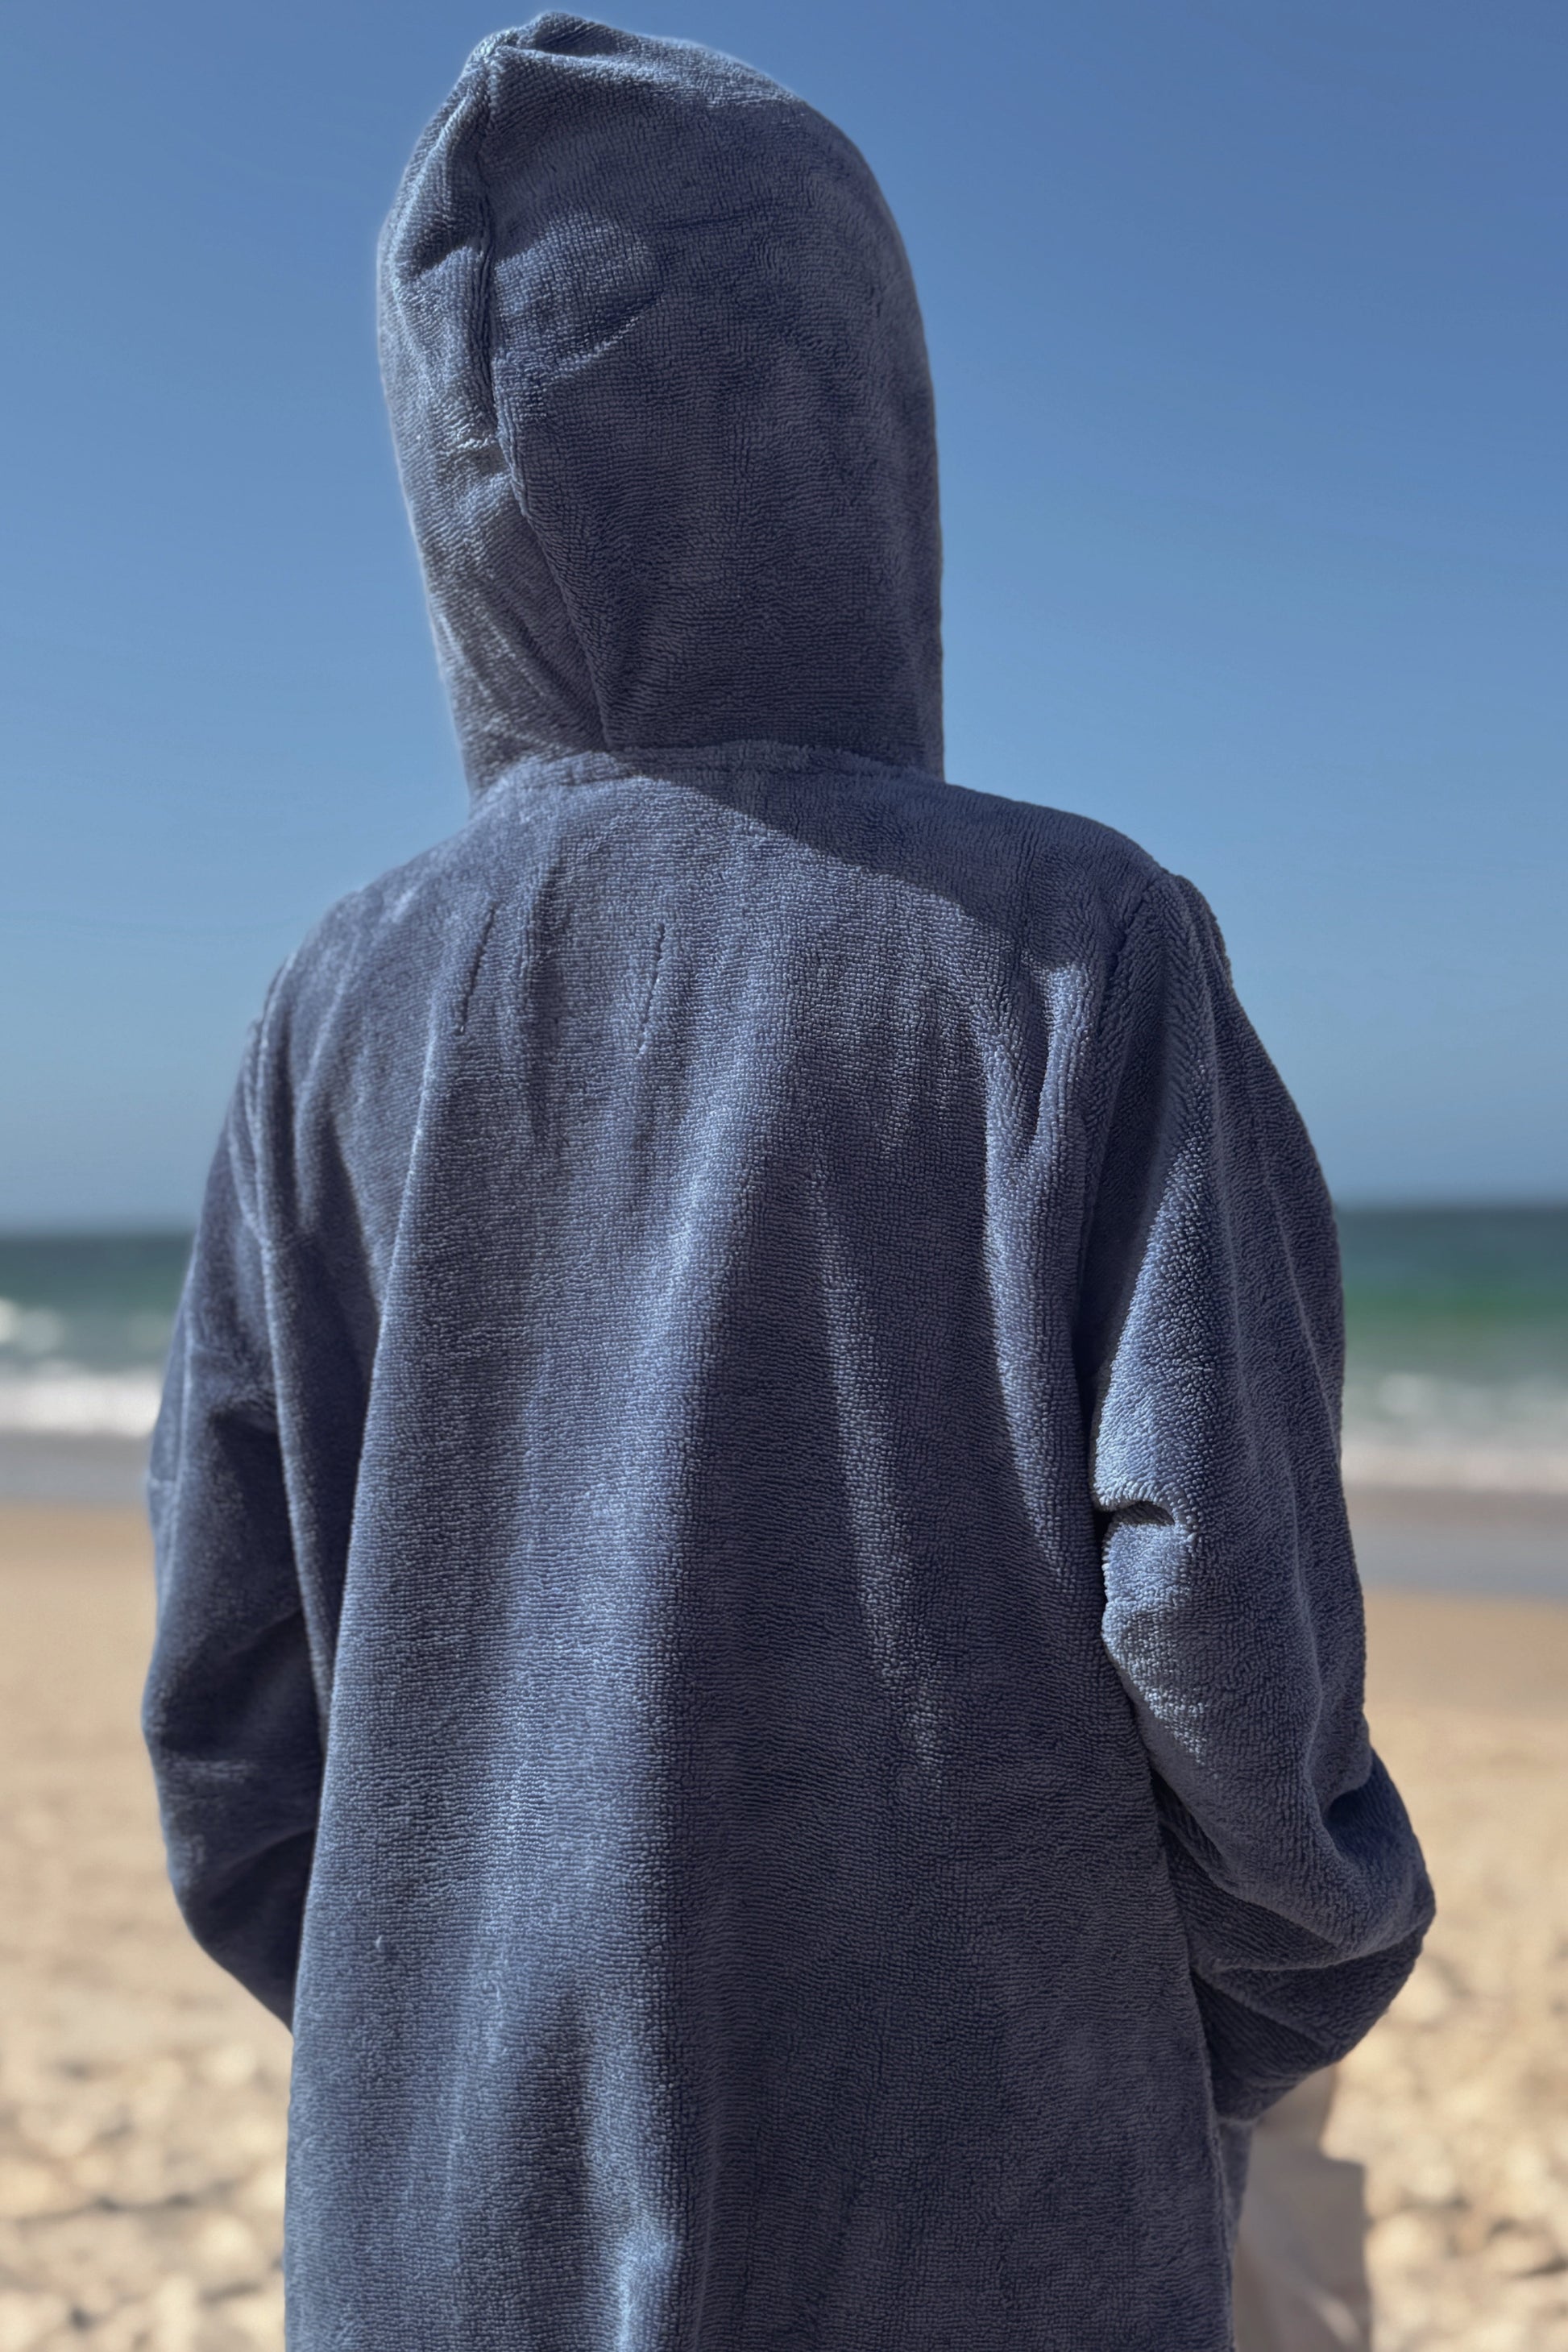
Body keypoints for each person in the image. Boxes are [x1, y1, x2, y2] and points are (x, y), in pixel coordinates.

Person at [141, 18, 1433, 2349]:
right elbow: (1231, 1645)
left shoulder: (324, 1014)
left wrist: (442, 2054)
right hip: (989, 2228)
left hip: (445, 2242)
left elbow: (235, 1746)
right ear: (865, 427)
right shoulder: (1068, 948)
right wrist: (1185, 2053)